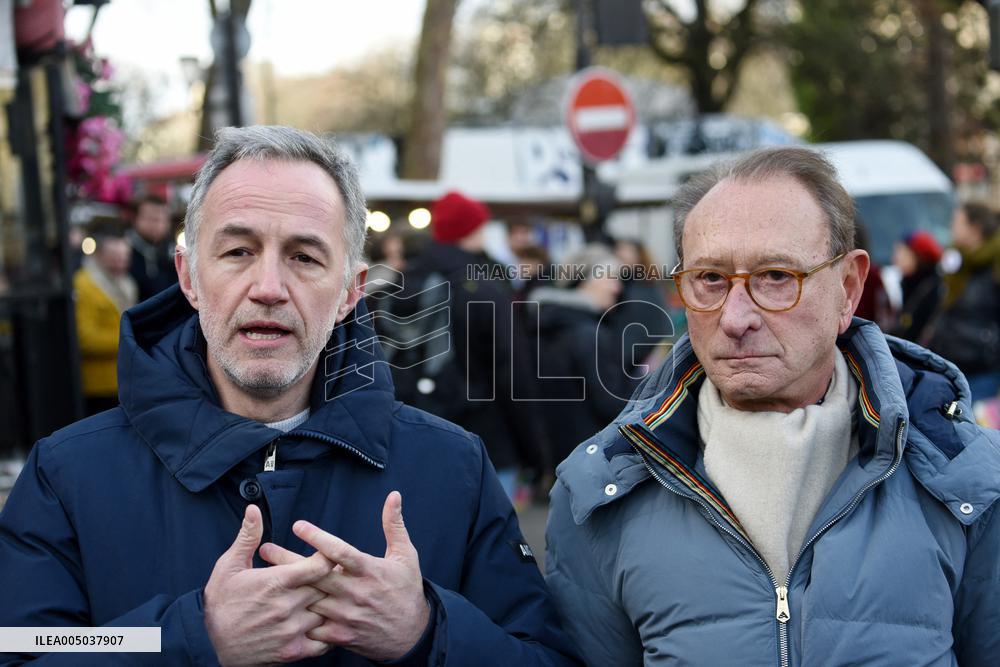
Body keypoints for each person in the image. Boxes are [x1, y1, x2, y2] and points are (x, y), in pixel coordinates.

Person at [0, 126, 578, 666]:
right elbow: (28, 646)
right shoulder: (67, 475)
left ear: (351, 291)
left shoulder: (454, 467)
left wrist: (427, 631)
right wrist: (189, 638)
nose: (269, 288)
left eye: (304, 257)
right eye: (238, 252)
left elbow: (543, 655)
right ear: (188, 276)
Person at [546, 147, 1000, 665]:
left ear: (848, 288)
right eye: (710, 279)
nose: (735, 318)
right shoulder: (597, 496)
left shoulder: (973, 484)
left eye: (777, 276)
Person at [390, 192, 547, 498]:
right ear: (469, 230)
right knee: (493, 525)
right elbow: (511, 371)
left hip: (416, 431)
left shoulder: (403, 283)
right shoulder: (483, 287)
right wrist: (535, 450)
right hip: (486, 436)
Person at [529, 244, 640, 470]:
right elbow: (611, 403)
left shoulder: (550, 324)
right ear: (586, 281)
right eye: (611, 278)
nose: (617, 288)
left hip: (562, 455)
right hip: (593, 456)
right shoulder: (588, 333)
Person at [927, 202, 1000, 402]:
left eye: (957, 222)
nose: (951, 227)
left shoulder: (994, 266)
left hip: (983, 370)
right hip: (949, 366)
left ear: (974, 229)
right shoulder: (955, 262)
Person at [73, 228, 138, 415]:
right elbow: (85, 338)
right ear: (100, 255)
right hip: (99, 385)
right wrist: (129, 339)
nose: (121, 263)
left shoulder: (126, 283)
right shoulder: (84, 284)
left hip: (124, 379)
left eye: (124, 257)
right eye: (115, 257)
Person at [889, 229, 943, 343]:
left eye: (901, 252)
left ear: (917, 256)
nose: (894, 259)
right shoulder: (911, 284)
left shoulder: (931, 290)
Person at [128, 193, 177, 302]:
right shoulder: (125, 252)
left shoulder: (172, 252)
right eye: (150, 219)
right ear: (135, 219)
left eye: (162, 219)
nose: (157, 224)